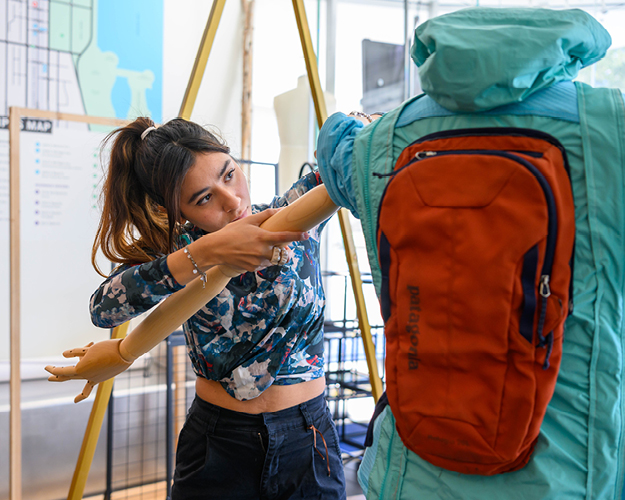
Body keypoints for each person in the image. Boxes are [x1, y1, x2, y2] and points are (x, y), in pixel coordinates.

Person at [316, 7, 625, 500]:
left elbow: (333, 143)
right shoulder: (610, 129)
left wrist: (357, 122)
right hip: (566, 478)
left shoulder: (379, 143)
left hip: (408, 474)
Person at [81, 117, 346, 499]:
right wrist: (204, 253)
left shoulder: (290, 214)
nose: (233, 201)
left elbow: (350, 165)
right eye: (204, 199)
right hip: (219, 444)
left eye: (229, 174)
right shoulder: (180, 249)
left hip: (308, 439)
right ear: (174, 208)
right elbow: (103, 308)